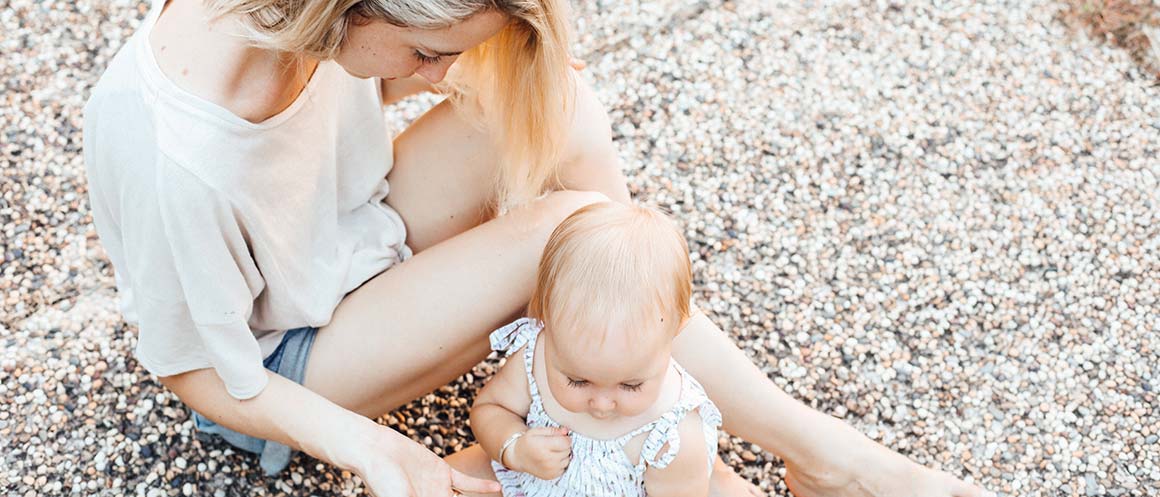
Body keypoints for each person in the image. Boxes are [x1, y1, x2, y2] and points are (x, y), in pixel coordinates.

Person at [82, 0, 993, 496]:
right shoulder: (176, 152)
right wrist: (378, 450)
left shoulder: (294, 19)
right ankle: (823, 454)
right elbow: (194, 371)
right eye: (425, 53)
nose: (435, 78)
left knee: (559, 104)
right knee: (564, 228)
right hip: (281, 361)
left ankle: (620, 354)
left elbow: (478, 70)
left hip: (347, 239)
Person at [471, 202, 721, 497]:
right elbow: (490, 409)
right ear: (546, 323)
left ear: (675, 330)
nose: (602, 404)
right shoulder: (535, 356)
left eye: (630, 385)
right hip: (526, 485)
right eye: (578, 380)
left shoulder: (672, 438)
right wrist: (515, 447)